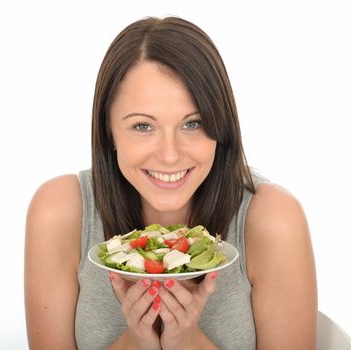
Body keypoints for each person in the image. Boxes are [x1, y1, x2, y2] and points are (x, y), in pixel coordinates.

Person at [24, 16, 317, 350]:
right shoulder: (60, 211)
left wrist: (190, 342)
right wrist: (135, 343)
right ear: (109, 132)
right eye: (143, 127)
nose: (169, 155)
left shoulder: (272, 218)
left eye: (192, 123)